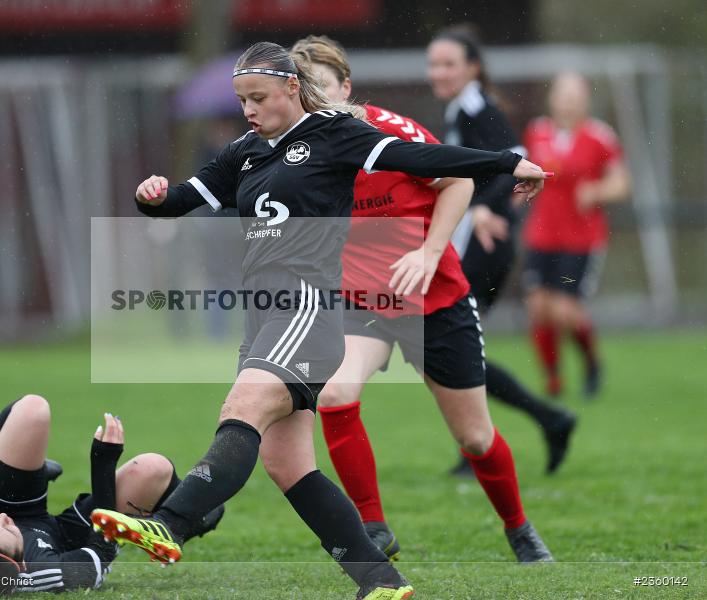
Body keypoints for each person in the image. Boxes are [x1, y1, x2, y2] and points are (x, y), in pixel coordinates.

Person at [91, 41, 550, 600]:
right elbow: (182, 201)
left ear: (292, 88)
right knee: (288, 466)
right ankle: (380, 581)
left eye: (258, 97)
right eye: (241, 100)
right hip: (264, 316)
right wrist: (152, 197)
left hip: (308, 307)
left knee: (242, 408)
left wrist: (504, 161)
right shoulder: (246, 151)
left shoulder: (334, 133)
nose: (248, 110)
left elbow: (427, 161)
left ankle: (174, 523)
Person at [289, 34, 553, 564]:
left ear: (346, 86)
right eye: (304, 93)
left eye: (323, 89)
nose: (315, 103)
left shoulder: (386, 132)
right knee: (336, 393)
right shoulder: (296, 150)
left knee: (476, 438)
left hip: (434, 298)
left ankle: (520, 528)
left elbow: (457, 180)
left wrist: (431, 253)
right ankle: (373, 526)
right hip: (363, 300)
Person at [426, 25, 578, 476]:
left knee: (448, 345)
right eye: (433, 64)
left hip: (486, 245)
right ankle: (536, 424)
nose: (439, 72)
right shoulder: (461, 107)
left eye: (449, 63)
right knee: (450, 348)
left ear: (472, 67)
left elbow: (515, 157)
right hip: (478, 242)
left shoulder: (475, 105)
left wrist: (488, 209)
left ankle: (501, 437)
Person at [0, 394, 223, 598]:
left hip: (5, 497)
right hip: (65, 538)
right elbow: (100, 550)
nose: (2, 519)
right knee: (152, 468)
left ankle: (38, 470)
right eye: (7, 530)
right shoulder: (46, 572)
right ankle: (186, 522)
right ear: (22, 565)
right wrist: (102, 462)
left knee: (32, 409)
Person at [522, 72, 631, 398]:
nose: (568, 100)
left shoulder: (599, 136)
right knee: (539, 308)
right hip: (541, 235)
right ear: (551, 98)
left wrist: (597, 190)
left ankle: (592, 362)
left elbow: (622, 183)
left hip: (581, 238)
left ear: (586, 99)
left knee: (565, 312)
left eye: (575, 94)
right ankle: (553, 378)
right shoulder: (537, 132)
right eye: (562, 94)